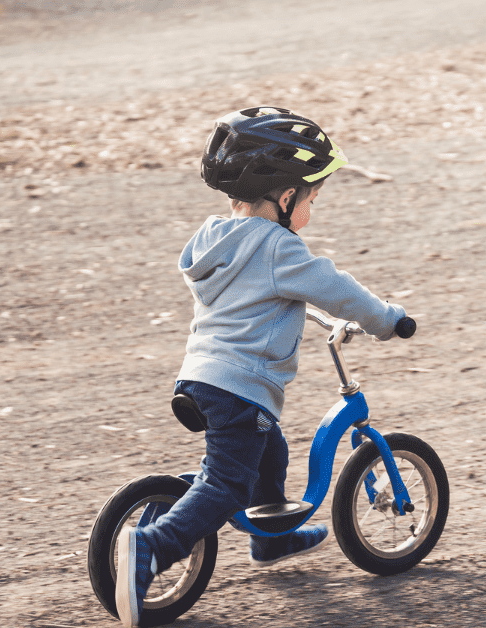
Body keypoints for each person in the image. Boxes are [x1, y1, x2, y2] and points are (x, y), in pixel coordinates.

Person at [115, 106, 409, 627]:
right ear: (286, 196)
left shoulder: (216, 240)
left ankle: (272, 540)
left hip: (199, 375)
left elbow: (251, 296)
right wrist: (388, 320)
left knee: (269, 446)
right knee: (226, 482)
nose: (311, 213)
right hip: (240, 384)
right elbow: (337, 288)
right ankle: (152, 549)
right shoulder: (279, 247)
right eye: (311, 199)